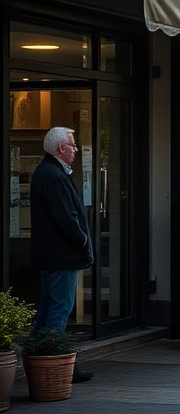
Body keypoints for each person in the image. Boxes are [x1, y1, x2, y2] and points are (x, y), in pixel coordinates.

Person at [30, 126, 94, 383]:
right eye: (73, 145)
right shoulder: (54, 175)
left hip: (53, 254)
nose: (76, 150)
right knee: (59, 308)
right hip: (61, 255)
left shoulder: (49, 172)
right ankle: (56, 363)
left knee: (48, 307)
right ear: (61, 148)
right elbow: (66, 216)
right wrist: (82, 240)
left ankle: (39, 356)